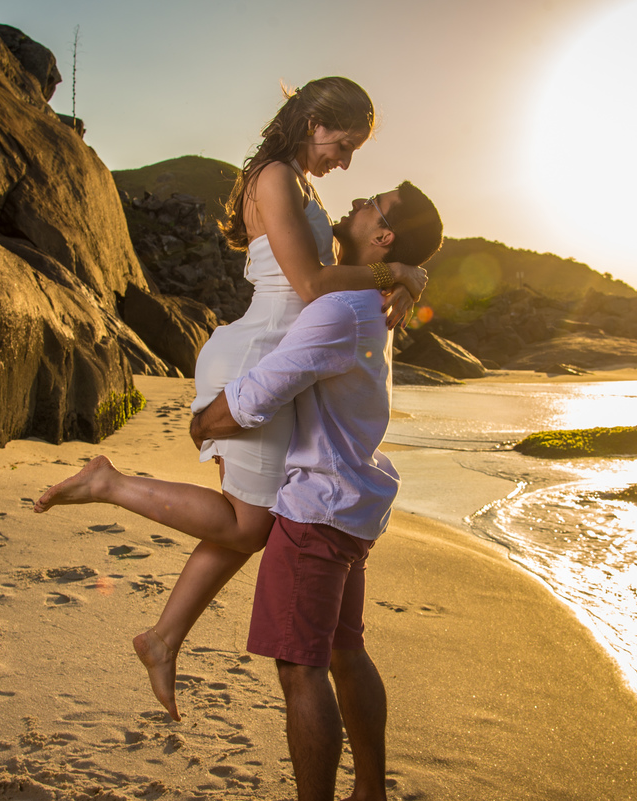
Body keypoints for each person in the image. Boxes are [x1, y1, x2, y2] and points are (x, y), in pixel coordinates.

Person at [32, 76, 436, 718]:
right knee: (251, 523)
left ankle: (163, 640)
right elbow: (311, 283)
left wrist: (407, 277)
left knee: (250, 519)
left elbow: (350, 266)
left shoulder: (297, 183)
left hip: (276, 356)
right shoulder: (275, 176)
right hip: (258, 357)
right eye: (345, 144)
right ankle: (109, 486)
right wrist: (399, 272)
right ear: (315, 124)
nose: (346, 161)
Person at [188, 200, 441, 797]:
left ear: (382, 235)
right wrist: (406, 275)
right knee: (343, 650)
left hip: (315, 513)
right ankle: (370, 792)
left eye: (371, 205)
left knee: (301, 667)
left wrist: (206, 422)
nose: (354, 203)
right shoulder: (371, 301)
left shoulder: (341, 307)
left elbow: (265, 388)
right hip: (351, 504)